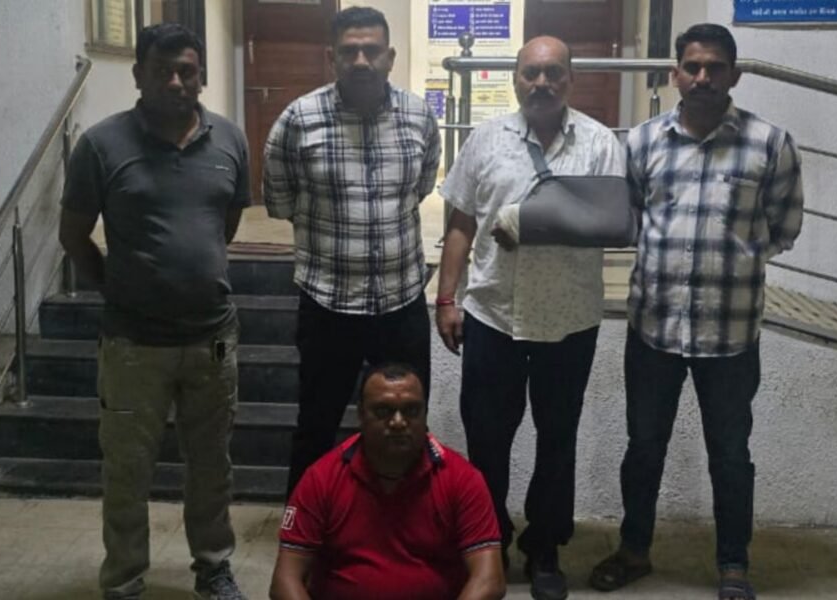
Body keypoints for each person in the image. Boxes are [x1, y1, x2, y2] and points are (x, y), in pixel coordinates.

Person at [588, 24, 803, 600]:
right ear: (675, 74)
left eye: (715, 67)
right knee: (643, 448)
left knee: (730, 456)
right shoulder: (643, 142)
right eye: (692, 66)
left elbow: (784, 226)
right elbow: (631, 217)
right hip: (653, 329)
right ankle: (634, 550)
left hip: (730, 333)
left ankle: (733, 564)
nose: (703, 77)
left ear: (735, 74)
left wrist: (733, 258)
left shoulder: (769, 144)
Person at [59, 23, 251, 600]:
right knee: (127, 469)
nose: (175, 82)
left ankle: (213, 567)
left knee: (212, 463)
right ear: (138, 74)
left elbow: (226, 224)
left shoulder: (230, 141)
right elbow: (73, 235)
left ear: (201, 76)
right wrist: (118, 289)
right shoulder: (101, 145)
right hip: (133, 343)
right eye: (162, 71)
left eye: (186, 71)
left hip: (211, 338)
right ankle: (123, 579)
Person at [436, 36, 626, 600]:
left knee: (557, 439)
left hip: (568, 319)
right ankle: (488, 541)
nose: (542, 83)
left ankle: (545, 547)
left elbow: (610, 225)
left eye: (553, 73)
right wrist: (446, 299)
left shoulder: (599, 143)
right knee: (486, 440)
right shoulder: (486, 139)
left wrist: (529, 222)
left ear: (570, 79)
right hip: (492, 313)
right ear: (516, 78)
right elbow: (460, 224)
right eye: (531, 74)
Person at [263, 6, 441, 497]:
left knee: (407, 424)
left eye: (372, 50)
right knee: (316, 425)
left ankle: (403, 522)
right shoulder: (298, 120)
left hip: (401, 303)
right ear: (331, 58)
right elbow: (279, 201)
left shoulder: (419, 116)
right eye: (349, 51)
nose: (361, 60)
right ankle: (306, 528)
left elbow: (421, 186)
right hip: (327, 303)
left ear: (390, 57)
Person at [269, 363, 506, 600]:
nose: (398, 422)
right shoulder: (321, 478)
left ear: (425, 413)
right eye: (383, 411)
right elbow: (285, 581)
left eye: (411, 410)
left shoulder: (463, 479)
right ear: (361, 414)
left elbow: (489, 580)